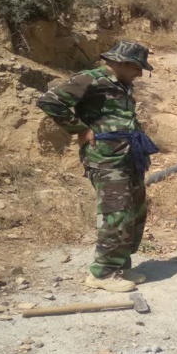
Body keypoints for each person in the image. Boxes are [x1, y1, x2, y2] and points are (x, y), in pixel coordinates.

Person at [37, 41, 158, 293]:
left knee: (135, 210)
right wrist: (79, 129)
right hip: (105, 158)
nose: (140, 74)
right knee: (116, 212)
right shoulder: (90, 79)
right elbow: (50, 101)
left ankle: (120, 266)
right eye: (138, 68)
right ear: (124, 63)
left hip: (128, 157)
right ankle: (102, 273)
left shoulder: (122, 84)